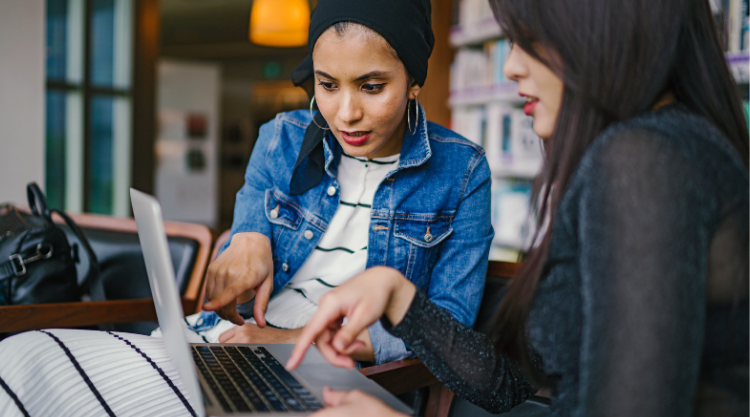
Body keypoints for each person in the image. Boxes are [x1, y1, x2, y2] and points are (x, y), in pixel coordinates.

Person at [0, 0, 494, 415]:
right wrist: (246, 237)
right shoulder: (281, 138)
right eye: (327, 85)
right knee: (21, 359)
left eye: (371, 87)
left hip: (336, 377)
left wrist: (292, 338)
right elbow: (241, 257)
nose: (346, 113)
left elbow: (444, 330)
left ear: (413, 81)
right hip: (228, 343)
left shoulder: (463, 172)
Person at [286, 0, 750, 416]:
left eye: (529, 40)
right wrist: (398, 297)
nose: (510, 66)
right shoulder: (660, 148)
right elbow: (506, 384)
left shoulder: (644, 161)